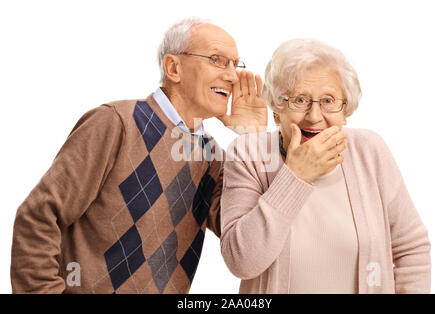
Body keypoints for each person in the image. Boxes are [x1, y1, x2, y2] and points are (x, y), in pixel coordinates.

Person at [10, 18, 267, 293]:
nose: (232, 76)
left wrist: (255, 139)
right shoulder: (116, 123)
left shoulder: (214, 159)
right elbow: (38, 217)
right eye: (217, 60)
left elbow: (251, 235)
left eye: (235, 64)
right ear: (173, 68)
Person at [220, 38, 431, 293]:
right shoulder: (248, 154)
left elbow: (412, 248)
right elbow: (242, 262)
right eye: (299, 100)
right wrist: (295, 176)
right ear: (276, 110)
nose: (314, 116)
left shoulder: (370, 151)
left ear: (346, 110)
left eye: (329, 101)